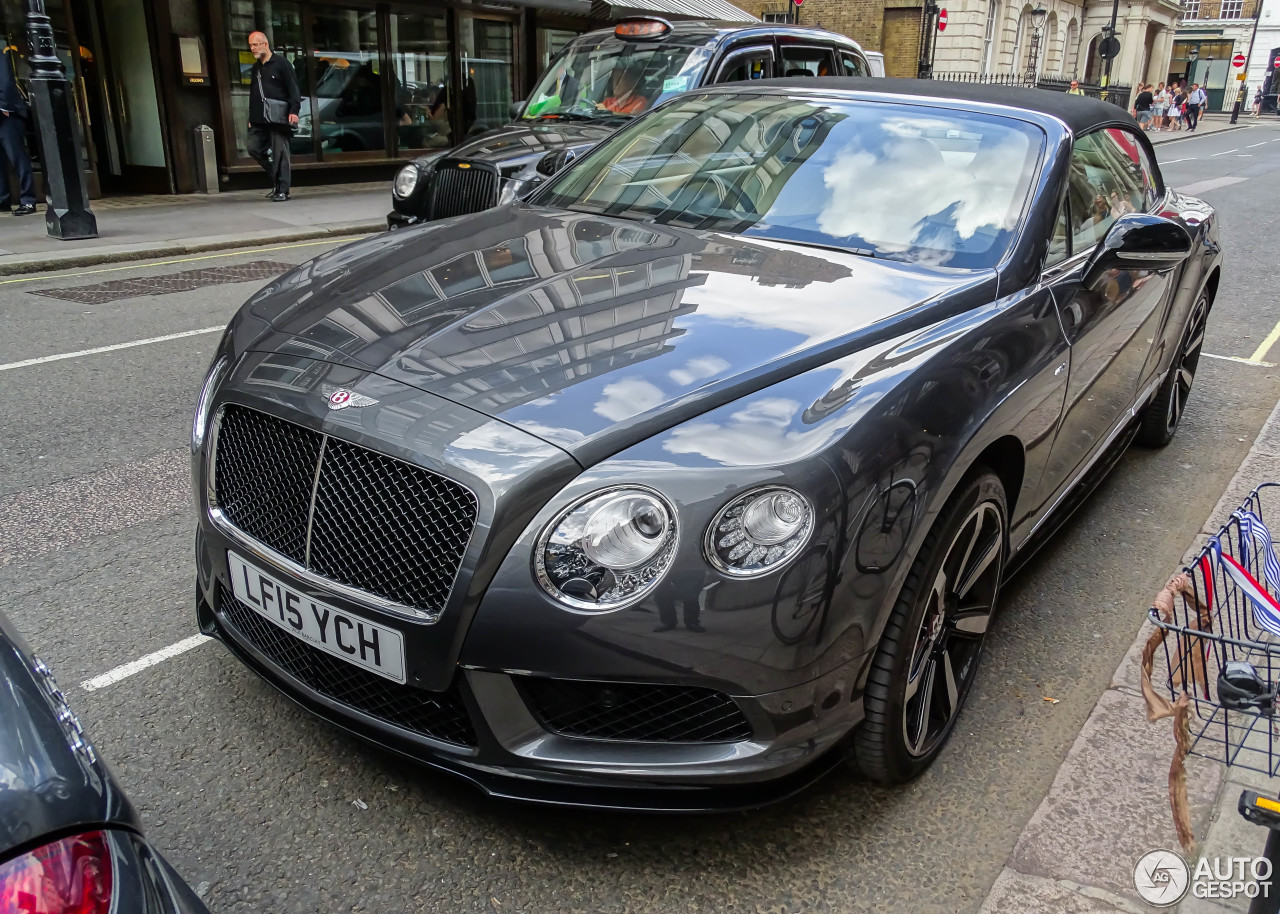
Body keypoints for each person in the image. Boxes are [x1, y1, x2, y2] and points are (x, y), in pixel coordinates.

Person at [246, 31, 300, 202]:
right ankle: (276, 179)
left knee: (280, 153)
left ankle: (283, 190)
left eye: (255, 44)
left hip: (279, 116)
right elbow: (254, 93)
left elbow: (293, 88)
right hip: (259, 117)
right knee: (253, 147)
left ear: (265, 44)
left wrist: (294, 111)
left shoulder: (282, 64)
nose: (252, 48)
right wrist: (251, 117)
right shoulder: (256, 67)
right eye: (251, 45)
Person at [0, 48, 35, 216]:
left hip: (8, 115)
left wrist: (4, 107)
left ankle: (28, 201)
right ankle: (2, 200)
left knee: (17, 158)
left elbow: (6, 81)